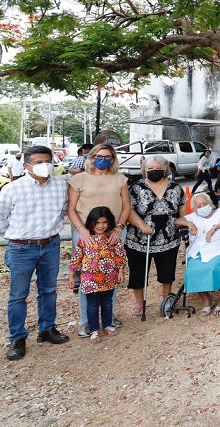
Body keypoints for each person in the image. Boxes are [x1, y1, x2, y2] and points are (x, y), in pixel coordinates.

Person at [0, 145, 70, 360]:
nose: (45, 166)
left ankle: (47, 329)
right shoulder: (13, 189)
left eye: (48, 161)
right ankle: (17, 337)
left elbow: (64, 211)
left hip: (51, 245)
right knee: (18, 295)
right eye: (38, 162)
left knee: (49, 290)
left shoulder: (61, 186)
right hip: (21, 248)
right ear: (26, 165)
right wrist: (18, 236)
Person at [67, 143, 131, 337]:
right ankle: (86, 320)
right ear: (92, 157)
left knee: (111, 274)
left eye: (108, 156)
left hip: (113, 232)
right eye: (100, 156)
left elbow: (126, 207)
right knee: (88, 275)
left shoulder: (120, 179)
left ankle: (108, 316)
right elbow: (71, 209)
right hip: (86, 233)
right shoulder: (79, 179)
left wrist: (118, 228)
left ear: (113, 159)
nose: (104, 159)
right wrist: (82, 230)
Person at [125, 156, 188, 315]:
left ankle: (167, 299)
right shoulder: (136, 187)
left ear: (165, 169)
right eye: (150, 168)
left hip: (169, 238)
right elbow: (128, 210)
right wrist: (141, 225)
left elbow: (182, 207)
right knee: (138, 271)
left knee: (167, 271)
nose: (154, 171)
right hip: (140, 238)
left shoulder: (175, 187)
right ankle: (139, 302)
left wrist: (183, 222)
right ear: (144, 170)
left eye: (157, 168)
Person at [69, 206, 127, 343]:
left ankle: (107, 324)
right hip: (90, 280)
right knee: (92, 305)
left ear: (109, 223)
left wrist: (120, 271)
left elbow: (120, 256)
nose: (101, 226)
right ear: (91, 222)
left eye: (104, 222)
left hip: (109, 278)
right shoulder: (85, 239)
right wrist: (71, 275)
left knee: (107, 303)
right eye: (97, 223)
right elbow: (76, 257)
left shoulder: (113, 239)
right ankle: (94, 329)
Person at [179, 193, 220, 315]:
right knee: (192, 270)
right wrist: (189, 224)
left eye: (205, 204)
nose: (203, 207)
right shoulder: (194, 217)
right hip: (200, 249)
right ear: (195, 209)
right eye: (199, 205)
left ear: (210, 203)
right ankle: (206, 298)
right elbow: (178, 220)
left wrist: (216, 227)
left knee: (212, 267)